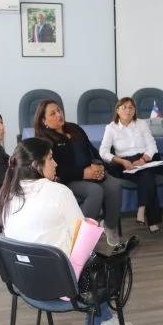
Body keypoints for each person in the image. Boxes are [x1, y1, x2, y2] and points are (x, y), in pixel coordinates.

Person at [0, 137, 132, 325]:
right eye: (50, 158)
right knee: (110, 261)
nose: (56, 163)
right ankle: (95, 324)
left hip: (24, 283)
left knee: (91, 259)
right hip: (61, 285)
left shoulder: (6, 195)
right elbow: (82, 238)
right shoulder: (58, 192)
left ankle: (103, 319)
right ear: (36, 165)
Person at [34, 100, 122, 246]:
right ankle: (78, 235)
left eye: (59, 110)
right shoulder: (45, 140)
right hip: (68, 179)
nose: (58, 114)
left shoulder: (74, 128)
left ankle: (110, 226)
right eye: (52, 113)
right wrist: (83, 174)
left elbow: (91, 150)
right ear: (44, 121)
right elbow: (57, 170)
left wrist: (100, 167)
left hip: (90, 172)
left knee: (114, 185)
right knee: (95, 191)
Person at [99, 97, 163, 234]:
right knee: (148, 177)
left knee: (146, 174)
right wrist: (121, 161)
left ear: (135, 111)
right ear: (117, 110)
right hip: (124, 163)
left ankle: (141, 208)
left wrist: (144, 159)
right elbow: (103, 152)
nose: (127, 110)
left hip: (143, 160)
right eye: (124, 107)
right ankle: (151, 219)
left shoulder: (142, 124)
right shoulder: (111, 128)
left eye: (131, 108)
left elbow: (152, 145)